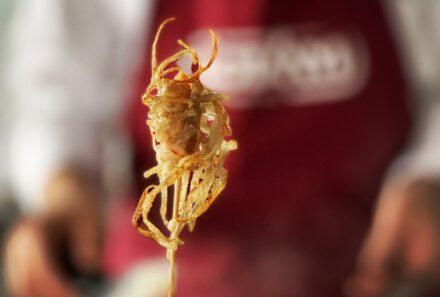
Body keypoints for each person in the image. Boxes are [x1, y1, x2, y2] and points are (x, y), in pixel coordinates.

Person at [4, 0, 440, 296]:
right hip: (166, 279)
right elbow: (57, 94)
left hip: (368, 270)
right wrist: (65, 187)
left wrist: (429, 179)